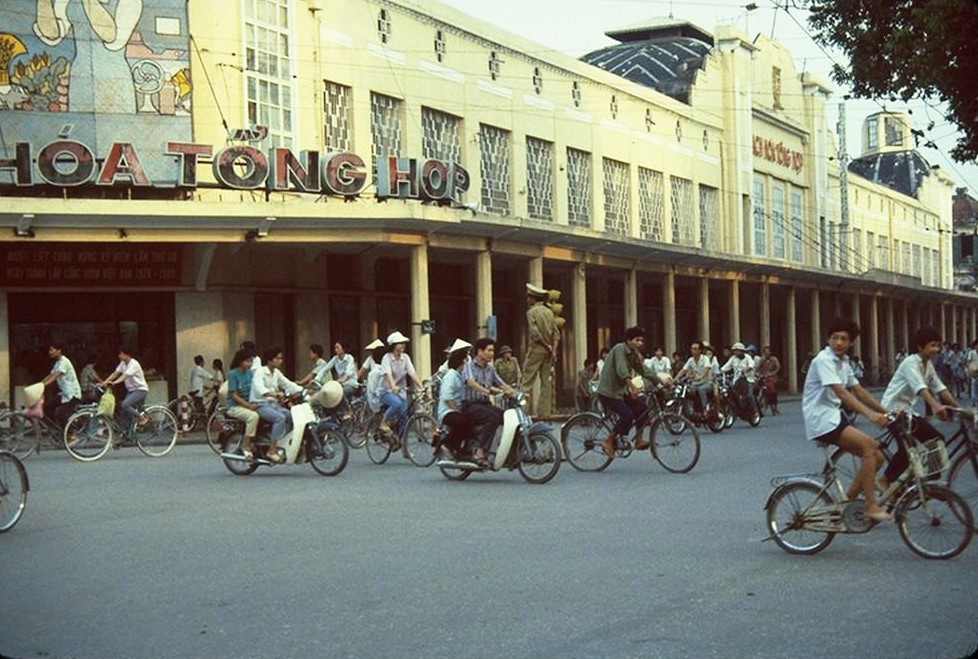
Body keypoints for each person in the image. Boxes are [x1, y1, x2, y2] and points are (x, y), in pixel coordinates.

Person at [802, 318, 890, 522]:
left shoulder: (844, 362)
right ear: (829, 339)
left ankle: (846, 502)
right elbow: (842, 393)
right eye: (835, 338)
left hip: (834, 416)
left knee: (878, 457)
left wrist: (886, 412)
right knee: (870, 447)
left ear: (851, 343)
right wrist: (871, 415)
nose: (839, 342)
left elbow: (858, 390)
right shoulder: (824, 360)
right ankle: (869, 505)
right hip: (821, 419)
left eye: (844, 339)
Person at [878, 325, 960, 492]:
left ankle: (924, 481)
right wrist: (936, 405)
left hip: (907, 411)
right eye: (932, 345)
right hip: (892, 410)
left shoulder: (927, 365)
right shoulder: (910, 362)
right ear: (920, 347)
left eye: (938, 345)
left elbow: (940, 387)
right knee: (908, 449)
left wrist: (958, 408)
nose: (936, 349)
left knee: (936, 439)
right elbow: (920, 387)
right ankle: (884, 480)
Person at [596, 326, 655, 458]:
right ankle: (609, 440)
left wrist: (662, 381)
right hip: (608, 392)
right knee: (627, 415)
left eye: (641, 341)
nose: (640, 343)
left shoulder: (633, 354)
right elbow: (622, 371)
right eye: (637, 340)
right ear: (628, 340)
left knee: (643, 408)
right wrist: (633, 388)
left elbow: (644, 370)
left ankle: (639, 440)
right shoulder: (619, 349)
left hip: (621, 392)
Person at [462, 338, 516, 465]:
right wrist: (486, 391)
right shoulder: (469, 366)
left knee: (508, 418)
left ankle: (510, 453)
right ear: (480, 352)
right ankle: (480, 451)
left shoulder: (490, 369)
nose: (492, 353)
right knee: (492, 418)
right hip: (470, 405)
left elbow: (502, 384)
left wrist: (517, 394)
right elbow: (471, 383)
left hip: (485, 404)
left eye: (493, 351)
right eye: (489, 350)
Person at [249, 346, 300, 463]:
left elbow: (288, 383)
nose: (280, 361)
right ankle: (271, 451)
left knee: (293, 416)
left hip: (273, 405)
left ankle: (281, 442)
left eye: (281, 358)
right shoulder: (260, 372)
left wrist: (303, 390)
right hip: (260, 405)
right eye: (278, 358)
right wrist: (274, 394)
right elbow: (259, 389)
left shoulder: (276, 373)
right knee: (280, 418)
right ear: (270, 360)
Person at [521, 283, 559, 417]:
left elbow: (535, 334)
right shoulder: (549, 312)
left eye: (528, 297)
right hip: (549, 354)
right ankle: (544, 413)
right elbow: (556, 334)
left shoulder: (531, 312)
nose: (527, 300)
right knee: (546, 383)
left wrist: (546, 346)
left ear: (532, 298)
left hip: (536, 350)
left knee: (526, 382)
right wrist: (553, 350)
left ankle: (522, 412)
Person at [378, 331, 424, 434]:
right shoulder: (387, 358)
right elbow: (388, 374)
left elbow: (412, 374)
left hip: (400, 391)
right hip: (386, 391)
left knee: (404, 416)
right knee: (397, 404)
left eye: (404, 343)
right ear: (394, 346)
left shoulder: (406, 358)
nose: (403, 345)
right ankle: (383, 422)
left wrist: (421, 386)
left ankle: (401, 440)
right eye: (400, 343)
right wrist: (393, 386)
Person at [435, 347, 472, 460]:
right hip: (447, 411)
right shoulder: (450, 376)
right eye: (466, 360)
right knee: (463, 422)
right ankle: (447, 444)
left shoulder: (461, 376)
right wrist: (457, 410)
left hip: (458, 408)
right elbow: (447, 397)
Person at [100, 347, 150, 433]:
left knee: (125, 404)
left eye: (121, 353)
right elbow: (115, 373)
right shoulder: (123, 363)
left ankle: (142, 418)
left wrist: (114, 383)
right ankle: (126, 433)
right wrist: (104, 382)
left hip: (140, 390)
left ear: (126, 354)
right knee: (123, 411)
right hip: (131, 391)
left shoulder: (134, 364)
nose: (119, 356)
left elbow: (124, 376)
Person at [225, 349, 260, 460]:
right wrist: (248, 406)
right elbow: (234, 396)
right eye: (247, 361)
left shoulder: (250, 373)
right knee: (253, 417)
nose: (249, 364)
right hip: (235, 407)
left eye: (250, 361)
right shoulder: (233, 374)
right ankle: (246, 445)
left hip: (248, 403)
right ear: (240, 361)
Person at [41, 343, 82, 427]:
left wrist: (44, 385)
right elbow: (50, 375)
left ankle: (70, 434)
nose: (50, 352)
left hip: (72, 395)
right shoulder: (58, 363)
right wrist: (39, 384)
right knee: (48, 405)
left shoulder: (65, 362)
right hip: (65, 394)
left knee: (60, 414)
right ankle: (55, 428)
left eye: (52, 350)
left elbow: (56, 375)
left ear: (59, 350)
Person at [675, 340, 715, 415]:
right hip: (695, 383)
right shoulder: (690, 360)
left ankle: (705, 407)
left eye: (695, 349)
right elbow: (683, 370)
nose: (693, 351)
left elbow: (706, 368)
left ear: (700, 350)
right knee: (688, 391)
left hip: (706, 383)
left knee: (701, 389)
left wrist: (701, 377)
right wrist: (675, 379)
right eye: (692, 349)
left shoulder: (705, 358)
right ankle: (692, 409)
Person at [721, 342, 757, 411]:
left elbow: (751, 364)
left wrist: (748, 368)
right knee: (731, 393)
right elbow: (727, 366)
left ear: (742, 351)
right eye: (734, 351)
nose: (736, 352)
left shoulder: (747, 357)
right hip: (737, 379)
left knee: (749, 396)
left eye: (737, 350)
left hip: (748, 379)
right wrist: (721, 370)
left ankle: (754, 409)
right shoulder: (733, 358)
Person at [757, 346, 781, 414]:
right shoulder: (762, 360)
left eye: (768, 352)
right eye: (765, 352)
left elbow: (778, 367)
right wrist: (760, 373)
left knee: (774, 392)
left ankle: (774, 406)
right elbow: (757, 368)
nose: (767, 353)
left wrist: (772, 373)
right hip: (764, 377)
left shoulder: (774, 359)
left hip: (773, 378)